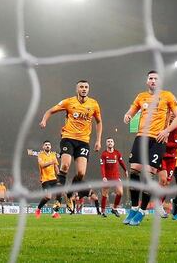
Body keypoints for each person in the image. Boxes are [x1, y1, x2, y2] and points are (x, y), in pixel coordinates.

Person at [122, 70, 177, 226]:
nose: (153, 81)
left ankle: (142, 211)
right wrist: (127, 115)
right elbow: (130, 112)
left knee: (149, 174)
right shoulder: (141, 97)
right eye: (151, 78)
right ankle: (134, 208)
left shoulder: (168, 96)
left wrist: (167, 130)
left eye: (156, 78)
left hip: (158, 139)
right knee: (134, 171)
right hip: (141, 137)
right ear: (147, 81)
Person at [39, 80, 103, 213]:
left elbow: (99, 122)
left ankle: (69, 194)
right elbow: (50, 110)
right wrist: (44, 120)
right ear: (77, 89)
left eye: (86, 87)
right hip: (68, 138)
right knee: (65, 166)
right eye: (81, 87)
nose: (84, 89)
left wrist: (98, 140)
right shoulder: (69, 102)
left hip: (84, 142)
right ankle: (58, 200)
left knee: (81, 173)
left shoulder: (94, 104)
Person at [99, 137, 127, 218]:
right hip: (107, 178)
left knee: (120, 192)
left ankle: (114, 208)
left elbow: (121, 162)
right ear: (106, 143)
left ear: (113, 143)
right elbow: (102, 166)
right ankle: (103, 212)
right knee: (105, 194)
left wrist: (125, 170)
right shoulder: (104, 154)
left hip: (116, 177)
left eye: (111, 141)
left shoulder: (117, 153)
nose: (110, 143)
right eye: (108, 141)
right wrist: (104, 177)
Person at [35, 141, 61, 219]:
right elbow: (42, 165)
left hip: (54, 178)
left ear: (51, 146)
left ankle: (55, 212)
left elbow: (56, 167)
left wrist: (59, 176)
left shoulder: (53, 155)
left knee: (59, 194)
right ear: (43, 147)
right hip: (45, 179)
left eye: (49, 145)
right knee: (48, 197)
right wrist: (51, 162)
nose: (47, 146)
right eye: (46, 145)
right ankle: (38, 209)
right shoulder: (40, 155)